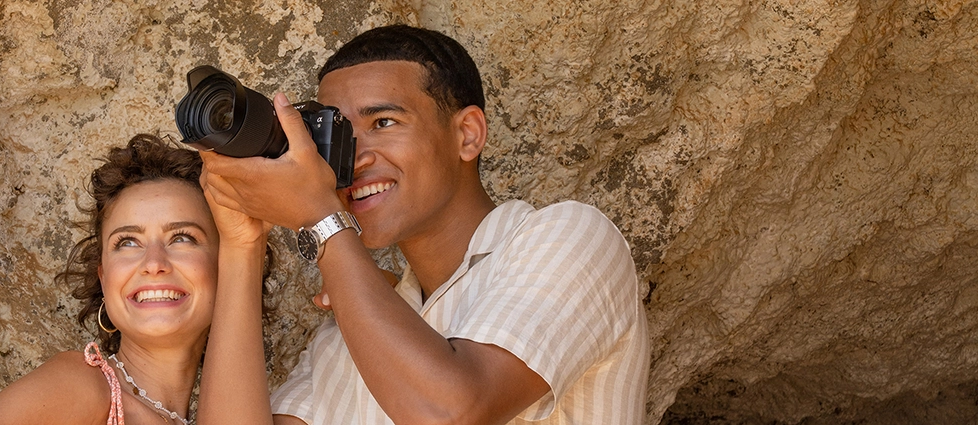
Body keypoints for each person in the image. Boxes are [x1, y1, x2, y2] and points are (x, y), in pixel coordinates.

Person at [198, 24, 650, 424]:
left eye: (384, 121)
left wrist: (321, 219)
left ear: (467, 134)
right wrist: (242, 244)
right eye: (337, 135)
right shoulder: (355, 326)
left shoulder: (571, 236)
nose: (355, 158)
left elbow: (448, 412)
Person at [0, 134, 271, 425]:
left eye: (182, 238)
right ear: (104, 278)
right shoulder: (84, 386)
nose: (154, 263)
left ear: (223, 265)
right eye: (127, 242)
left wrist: (244, 245)